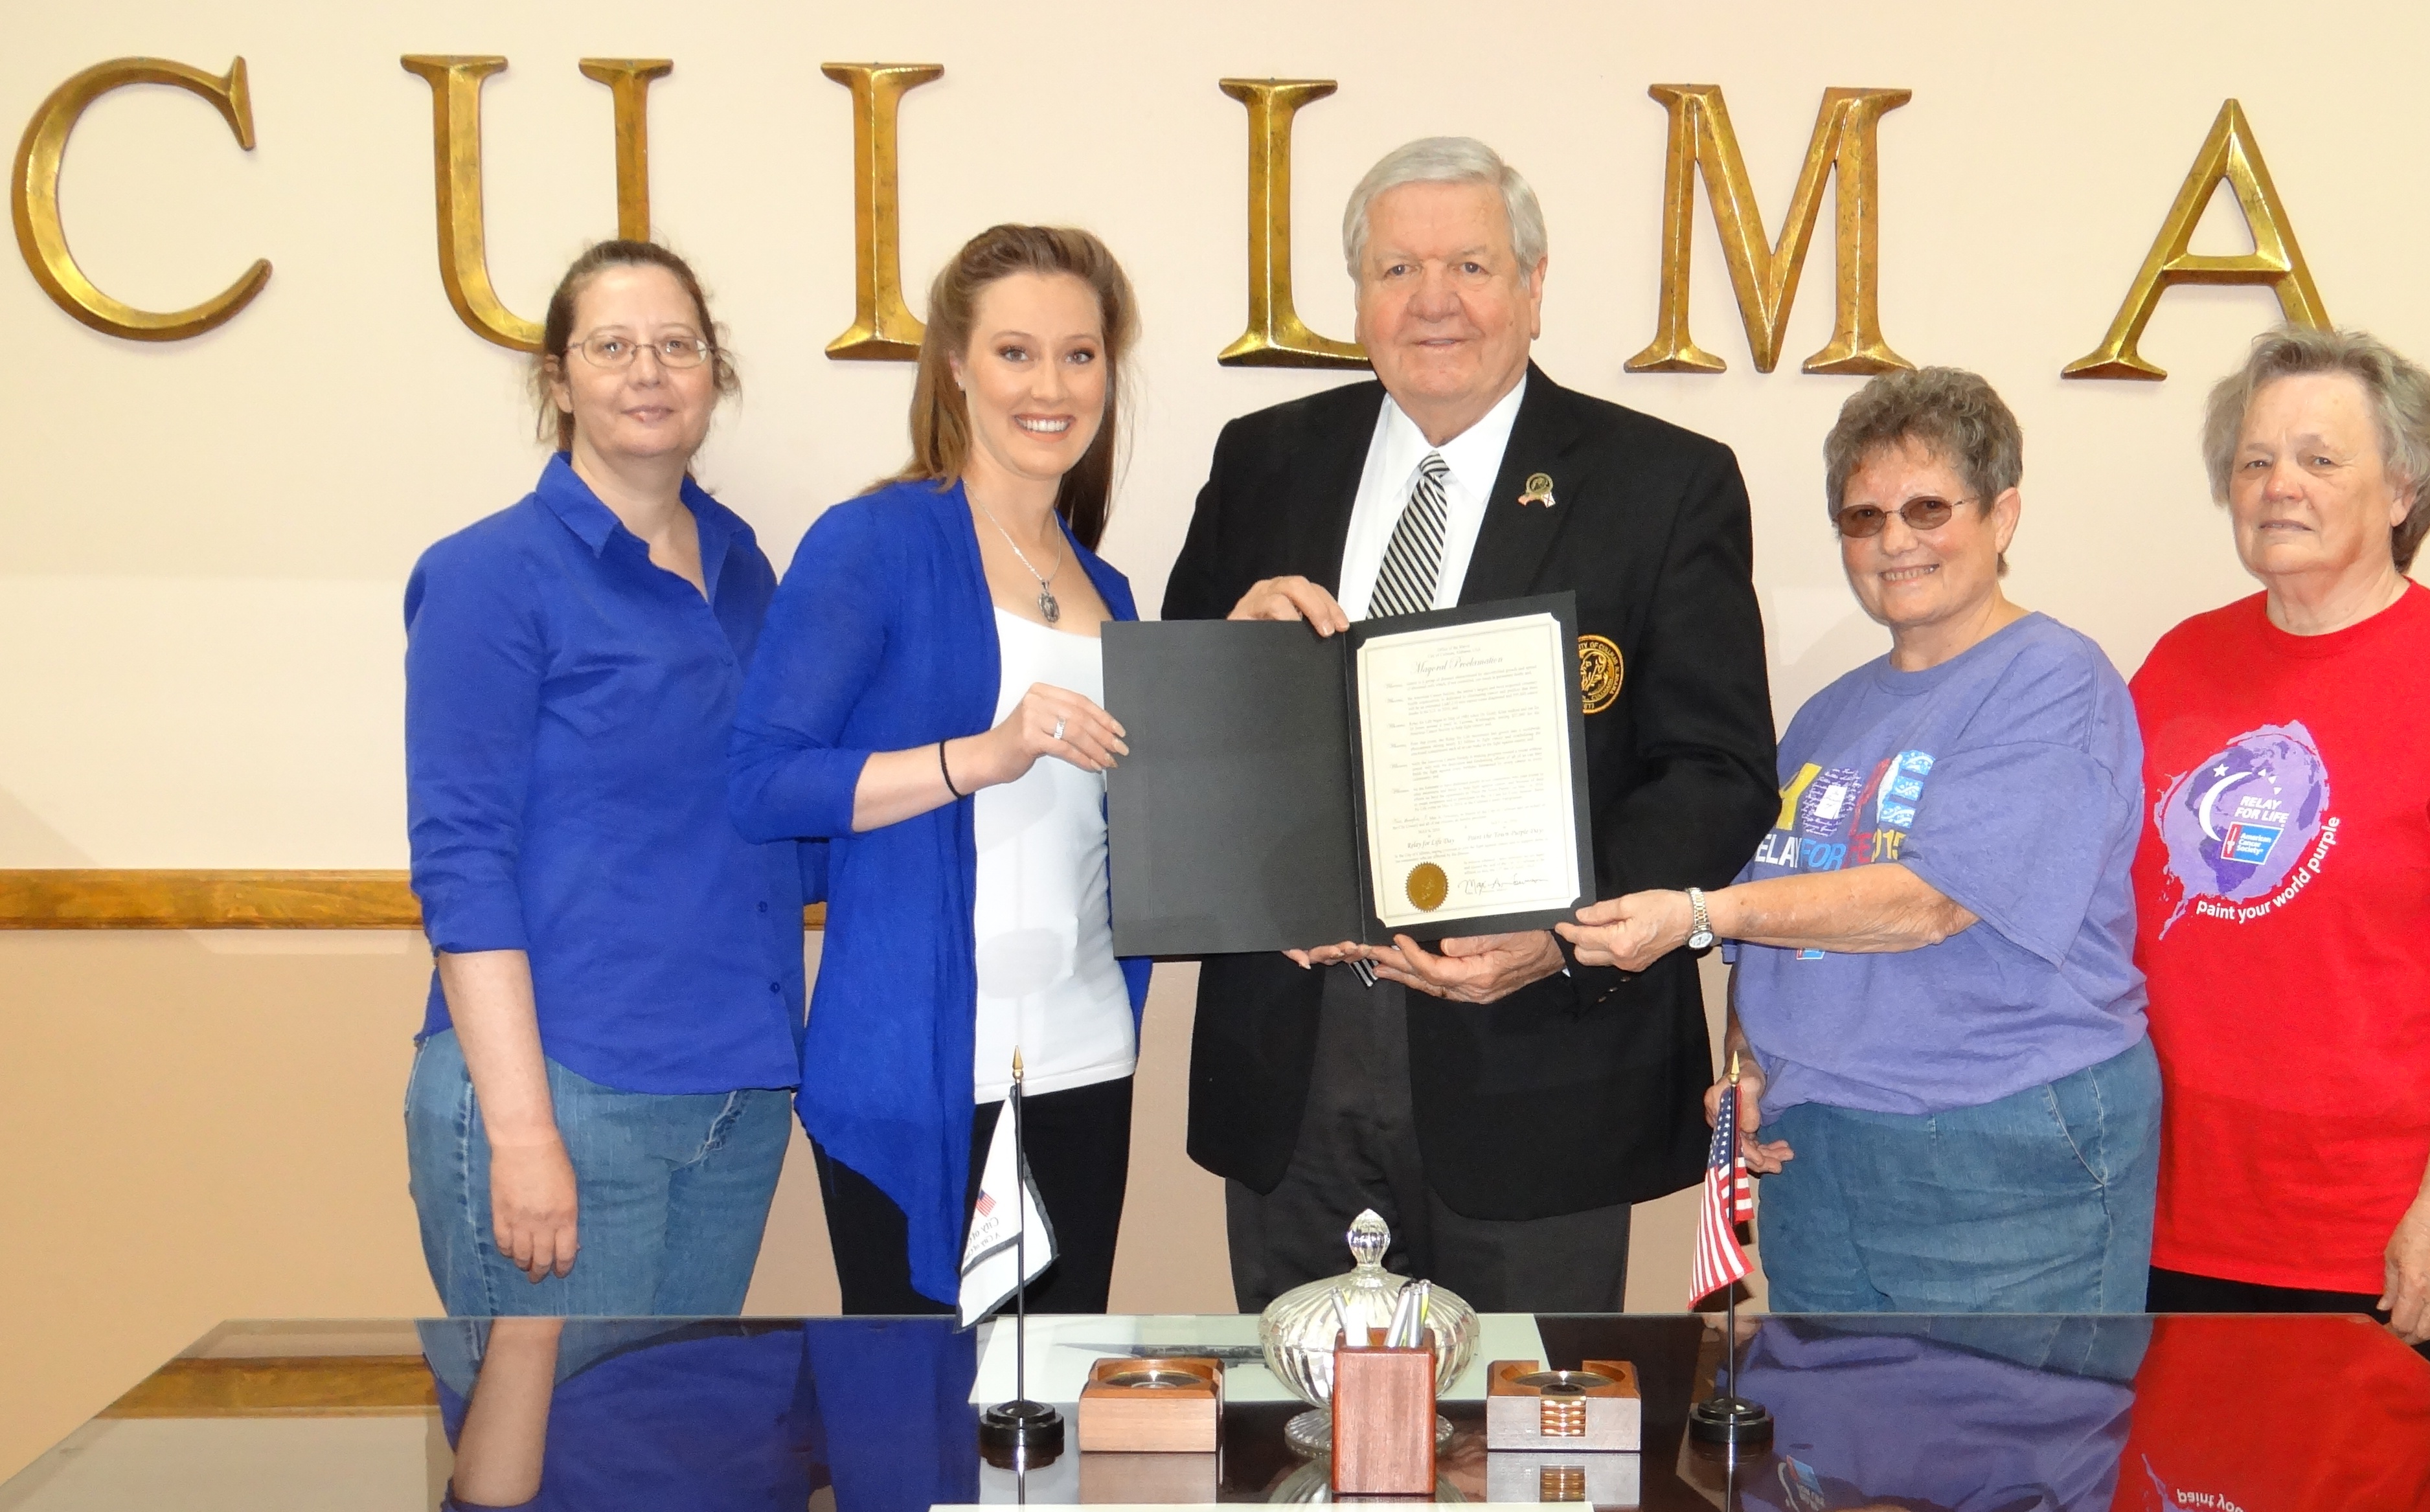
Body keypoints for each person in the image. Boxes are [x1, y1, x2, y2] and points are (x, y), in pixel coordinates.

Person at [1163, 136, 1778, 1313]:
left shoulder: (1666, 482)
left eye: (1472, 267)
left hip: (1538, 1055)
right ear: (1359, 301)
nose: (1433, 301)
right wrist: (1232, 650)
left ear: (1535, 288)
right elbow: (1182, 739)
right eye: (1397, 270)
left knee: (1523, 1460)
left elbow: (1717, 772)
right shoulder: (1265, 460)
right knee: (1305, 1438)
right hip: (1297, 1056)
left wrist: (1562, 936)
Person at [1561, 367, 2158, 1313]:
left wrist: (1697, 915)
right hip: (1819, 1155)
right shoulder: (1825, 718)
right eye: (1863, 517)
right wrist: (1747, 1069)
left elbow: (1930, 902)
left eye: (1927, 508)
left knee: (2004, 1454)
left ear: (2002, 516)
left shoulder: (2054, 679)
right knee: (1831, 1457)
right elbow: (1777, 919)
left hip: (1996, 1157)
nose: (1895, 541)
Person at [2129, 326, 2430, 1377]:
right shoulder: (2178, 666)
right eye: (2254, 460)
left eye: (2321, 460)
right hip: (2171, 1213)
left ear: (2404, 491)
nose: (2281, 485)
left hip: (2367, 1231)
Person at [731, 225, 1150, 1314]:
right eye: (1015, 353)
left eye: (1080, 354)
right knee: (914, 1441)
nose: (1050, 386)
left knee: (1048, 1434)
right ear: (956, 366)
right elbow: (765, 784)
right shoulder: (872, 543)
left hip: (1087, 1059)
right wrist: (982, 756)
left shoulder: (1112, 587)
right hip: (918, 1074)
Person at [403, 240, 802, 1316]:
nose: (648, 371)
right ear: (558, 377)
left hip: (739, 1095)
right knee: (553, 1468)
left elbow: (771, 812)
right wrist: (523, 1132)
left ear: (714, 372)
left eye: (678, 344)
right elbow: (462, 865)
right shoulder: (489, 575)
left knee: (675, 1453)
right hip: (567, 1093)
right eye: (613, 345)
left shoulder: (744, 568)